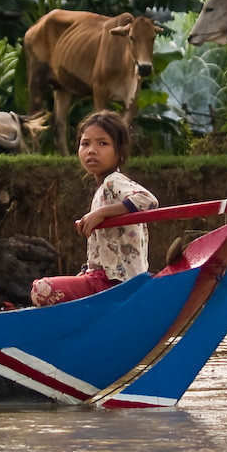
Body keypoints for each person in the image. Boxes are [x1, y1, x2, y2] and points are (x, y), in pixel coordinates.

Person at [30, 109, 158, 307]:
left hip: (114, 282)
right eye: (85, 143)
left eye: (103, 143)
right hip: (102, 277)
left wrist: (101, 213)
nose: (92, 150)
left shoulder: (113, 181)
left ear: (120, 150)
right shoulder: (104, 187)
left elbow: (148, 200)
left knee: (42, 289)